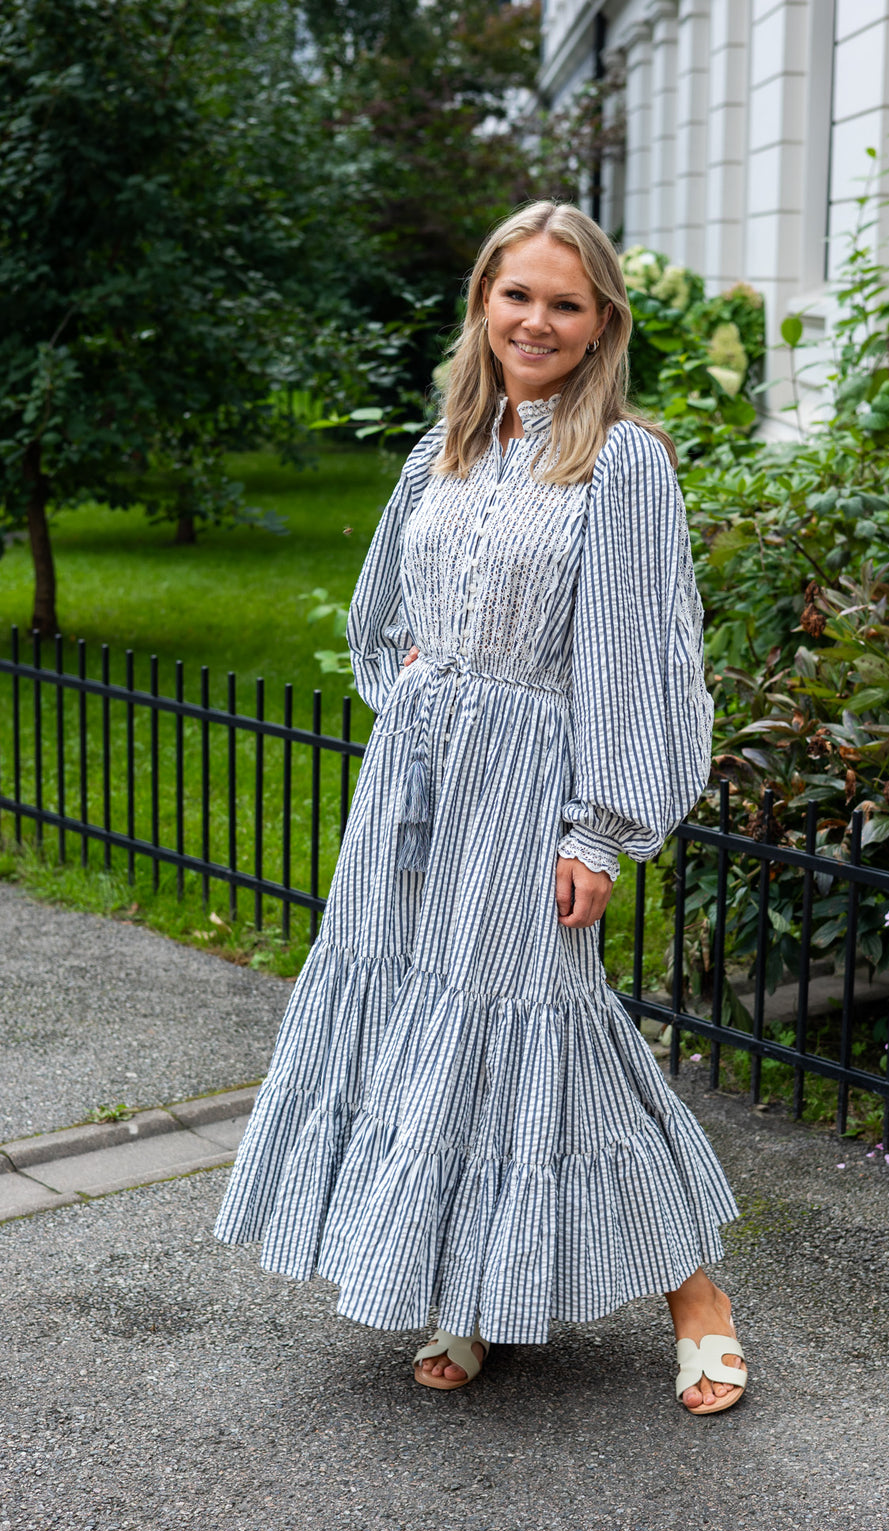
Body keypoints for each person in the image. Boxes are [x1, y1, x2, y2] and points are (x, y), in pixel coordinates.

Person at [214, 200, 746, 1415]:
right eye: (518, 296)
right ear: (483, 303)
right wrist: (408, 675)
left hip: (529, 793)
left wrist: (600, 828)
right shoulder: (446, 445)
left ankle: (693, 1293)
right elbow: (380, 612)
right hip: (418, 783)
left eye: (565, 302)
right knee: (425, 1019)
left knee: (545, 1024)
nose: (537, 321)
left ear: (602, 319)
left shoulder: (622, 465)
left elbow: (644, 661)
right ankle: (475, 1293)